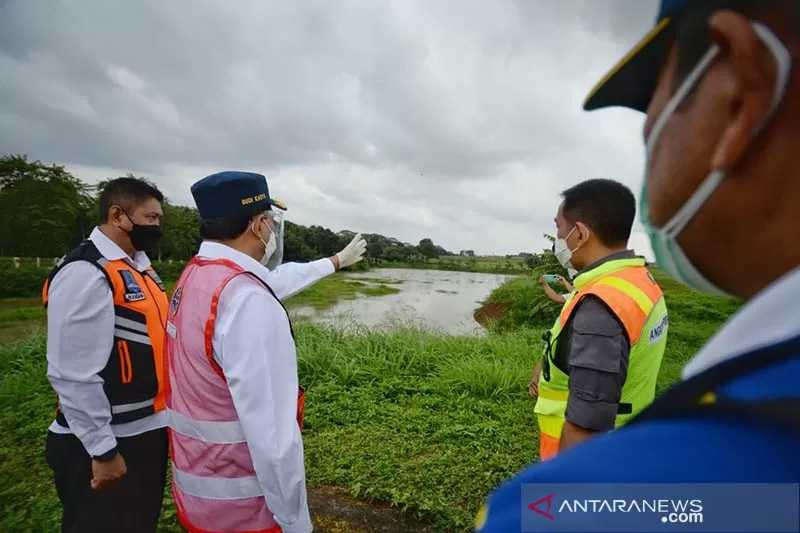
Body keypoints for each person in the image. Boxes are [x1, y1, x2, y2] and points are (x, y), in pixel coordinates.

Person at [477, 1, 800, 530]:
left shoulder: (535, 508)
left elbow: (589, 412)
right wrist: (567, 315)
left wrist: (566, 504)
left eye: (652, 121)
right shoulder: (633, 283)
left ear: (740, 95)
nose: (558, 238)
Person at [165, 171, 366, 533]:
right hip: (245, 512)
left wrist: (335, 261)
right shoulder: (248, 301)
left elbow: (276, 281)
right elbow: (273, 440)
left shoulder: (199, 276)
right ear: (257, 225)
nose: (273, 230)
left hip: (199, 496)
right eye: (270, 222)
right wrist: (295, 522)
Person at [43, 177, 170, 532]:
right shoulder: (86, 271)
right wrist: (102, 451)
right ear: (118, 215)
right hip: (106, 443)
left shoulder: (140, 267)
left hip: (145, 430)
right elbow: (72, 372)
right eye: (151, 217)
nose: (157, 226)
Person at [528, 179, 668, 461]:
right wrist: (544, 369)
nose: (558, 238)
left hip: (592, 463)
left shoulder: (601, 304)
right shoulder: (636, 281)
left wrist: (563, 490)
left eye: (559, 227)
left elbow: (586, 427)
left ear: (579, 234)